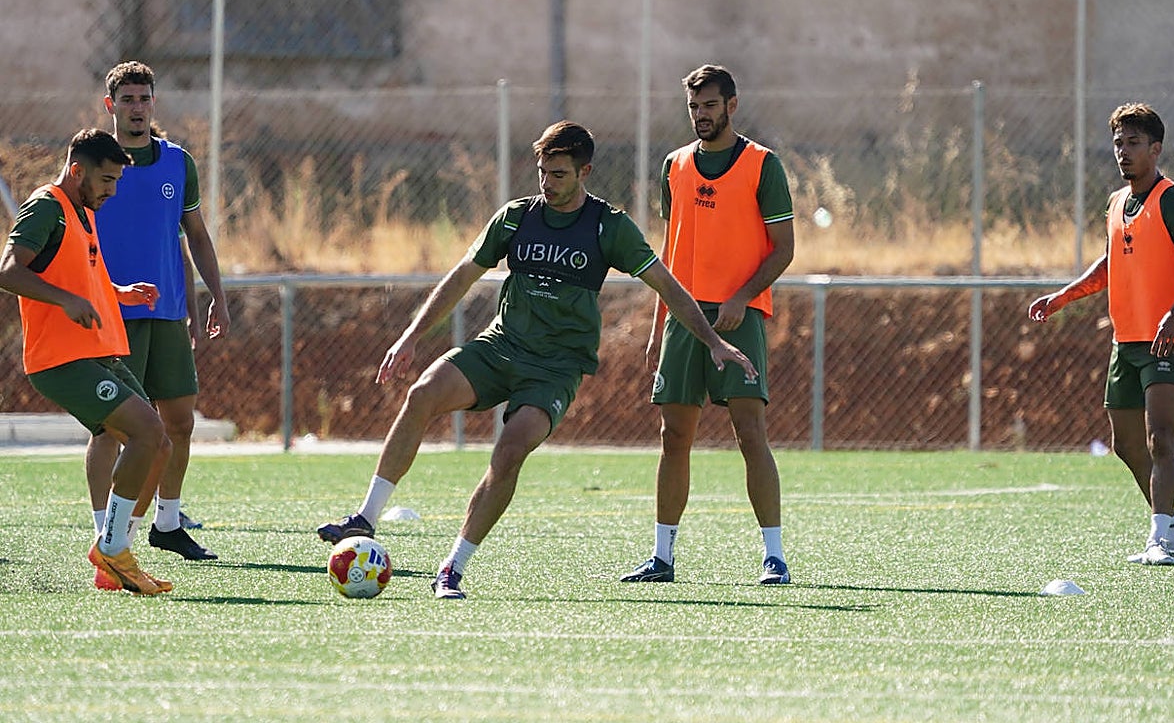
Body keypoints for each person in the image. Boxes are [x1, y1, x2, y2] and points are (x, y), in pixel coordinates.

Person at [316, 121, 758, 599]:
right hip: (500, 346)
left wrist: (713, 342)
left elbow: (668, 286)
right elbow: (462, 276)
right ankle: (366, 517)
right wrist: (410, 336)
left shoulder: (609, 227)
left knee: (509, 450)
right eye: (543, 172)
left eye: (559, 174)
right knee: (422, 393)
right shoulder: (515, 218)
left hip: (556, 368)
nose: (547, 183)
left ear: (585, 172)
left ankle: (452, 568)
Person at [620, 64, 795, 586]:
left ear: (732, 106)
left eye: (710, 105)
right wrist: (660, 321)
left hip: (738, 316)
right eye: (694, 106)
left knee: (750, 432)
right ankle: (662, 557)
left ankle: (774, 556)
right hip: (683, 318)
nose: (701, 114)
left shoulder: (763, 164)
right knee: (673, 435)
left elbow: (784, 250)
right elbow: (670, 251)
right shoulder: (674, 165)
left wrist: (742, 298)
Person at [0, 128, 173, 594]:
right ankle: (112, 549)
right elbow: (8, 270)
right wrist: (64, 301)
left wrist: (118, 292)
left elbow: (78, 274)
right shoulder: (47, 206)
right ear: (77, 171)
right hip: (61, 359)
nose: (112, 191)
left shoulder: (83, 211)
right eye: (107, 180)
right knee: (146, 431)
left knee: (158, 445)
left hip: (98, 352)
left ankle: (114, 550)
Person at [1029, 102, 1174, 566]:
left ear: (1156, 148)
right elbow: (1111, 264)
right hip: (1126, 342)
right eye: (1119, 143)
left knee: (1160, 436)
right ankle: (1171, 531)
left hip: (1169, 340)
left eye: (1134, 143)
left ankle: (1161, 534)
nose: (1123, 151)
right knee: (1125, 443)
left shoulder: (1173, 200)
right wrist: (1062, 296)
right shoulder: (1116, 202)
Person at [85, 61, 231, 561]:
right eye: (127, 99)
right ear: (111, 106)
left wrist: (213, 297)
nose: (137, 108)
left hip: (167, 313)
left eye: (144, 98)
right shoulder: (92, 164)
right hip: (111, 315)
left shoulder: (178, 163)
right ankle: (105, 534)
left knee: (180, 423)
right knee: (110, 428)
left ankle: (167, 523)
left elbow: (194, 237)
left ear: (154, 103)